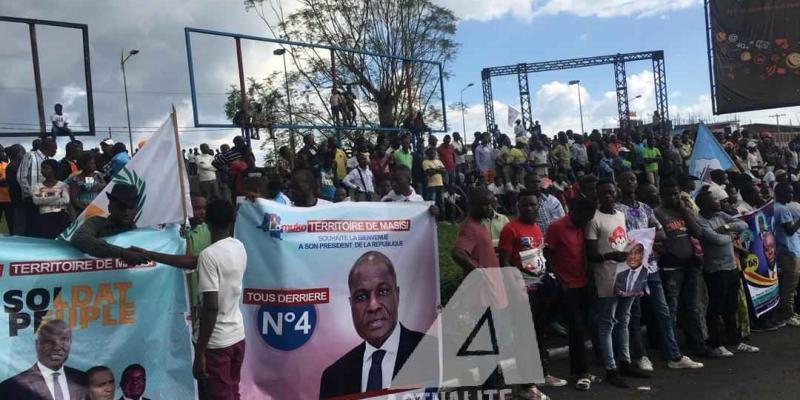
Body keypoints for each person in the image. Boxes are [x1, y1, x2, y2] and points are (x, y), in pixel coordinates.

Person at [615, 172, 704, 371]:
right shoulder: (616, 210)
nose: (629, 182)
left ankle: (674, 355)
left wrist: (653, 243)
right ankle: (640, 355)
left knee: (663, 311)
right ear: (618, 184)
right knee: (634, 314)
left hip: (651, 266)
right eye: (624, 179)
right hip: (630, 267)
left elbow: (660, 232)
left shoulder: (646, 209)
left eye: (632, 179)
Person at [318, 251, 432, 398]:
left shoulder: (436, 355)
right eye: (361, 297)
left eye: (383, 291)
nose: (373, 305)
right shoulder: (334, 377)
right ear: (351, 304)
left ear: (397, 295)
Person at [498, 189, 567, 398]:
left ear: (539, 207)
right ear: (518, 206)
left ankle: (542, 373)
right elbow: (505, 262)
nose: (530, 208)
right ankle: (527, 386)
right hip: (522, 291)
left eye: (533, 205)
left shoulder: (537, 228)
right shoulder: (510, 229)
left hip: (540, 289)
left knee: (538, 334)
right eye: (525, 205)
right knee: (524, 338)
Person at [585, 178, 650, 388]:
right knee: (608, 322)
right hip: (606, 276)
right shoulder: (593, 219)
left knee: (625, 318)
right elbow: (592, 254)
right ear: (597, 195)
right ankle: (610, 368)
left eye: (611, 192)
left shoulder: (621, 215)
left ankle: (625, 361)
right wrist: (610, 255)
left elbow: (624, 240)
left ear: (616, 193)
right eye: (603, 193)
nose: (608, 196)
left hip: (625, 274)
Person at [695, 188, 760, 357]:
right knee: (716, 308)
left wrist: (726, 227)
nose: (719, 202)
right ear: (705, 204)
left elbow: (743, 225)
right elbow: (715, 240)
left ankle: (735, 341)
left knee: (731, 307)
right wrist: (731, 235)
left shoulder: (720, 216)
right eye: (714, 200)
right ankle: (716, 343)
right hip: (716, 270)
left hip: (731, 266)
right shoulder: (700, 221)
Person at [545, 196, 597, 391]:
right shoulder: (557, 227)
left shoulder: (582, 227)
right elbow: (548, 255)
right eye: (586, 216)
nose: (588, 220)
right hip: (566, 285)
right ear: (577, 212)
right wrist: (558, 281)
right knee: (575, 327)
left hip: (582, 282)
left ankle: (579, 369)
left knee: (581, 326)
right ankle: (581, 372)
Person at [0, 319, 88, 399]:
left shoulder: (84, 380)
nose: (57, 347)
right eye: (49, 341)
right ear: (37, 344)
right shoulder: (10, 388)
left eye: (64, 339)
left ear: (70, 342)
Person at [70, 184, 149, 265]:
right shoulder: (97, 222)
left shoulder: (139, 234)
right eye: (121, 207)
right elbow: (79, 238)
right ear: (110, 207)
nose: (126, 212)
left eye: (131, 207)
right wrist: (122, 253)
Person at [451, 187, 500, 274]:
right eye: (484, 204)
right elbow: (458, 253)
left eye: (490, 204)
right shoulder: (470, 227)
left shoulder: (479, 224)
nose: (489, 208)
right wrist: (478, 272)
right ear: (472, 205)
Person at [772, 182, 800, 327]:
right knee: (790, 285)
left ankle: (790, 311)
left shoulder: (777, 207)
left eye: (791, 192)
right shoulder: (782, 209)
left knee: (790, 284)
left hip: (787, 250)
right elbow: (789, 230)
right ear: (780, 194)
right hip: (789, 251)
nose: (791, 195)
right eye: (788, 192)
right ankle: (788, 314)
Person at [18, 137, 57, 236]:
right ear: (50, 147)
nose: (56, 151)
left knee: (41, 225)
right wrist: (31, 194)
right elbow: (21, 176)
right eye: (55, 149)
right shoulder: (30, 155)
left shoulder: (48, 160)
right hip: (31, 198)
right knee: (31, 224)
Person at [31, 159, 71, 239]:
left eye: (46, 168)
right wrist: (56, 197)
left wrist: (44, 200)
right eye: (42, 168)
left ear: (54, 170)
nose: (43, 171)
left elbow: (66, 200)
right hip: (44, 218)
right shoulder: (37, 186)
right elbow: (36, 201)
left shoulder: (62, 185)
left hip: (60, 217)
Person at [422, 148, 445, 213]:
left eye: (434, 153)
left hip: (440, 184)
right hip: (431, 186)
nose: (433, 154)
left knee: (441, 202)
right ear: (427, 154)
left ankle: (442, 219)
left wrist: (434, 170)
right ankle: (432, 218)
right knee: (432, 203)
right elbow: (429, 172)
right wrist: (438, 169)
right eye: (431, 153)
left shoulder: (439, 161)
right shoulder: (425, 162)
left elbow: (444, 171)